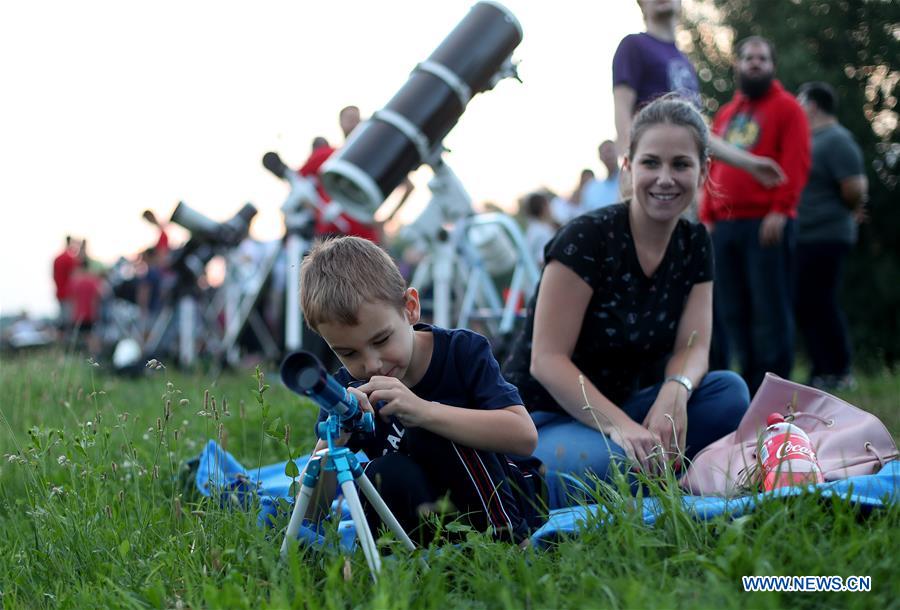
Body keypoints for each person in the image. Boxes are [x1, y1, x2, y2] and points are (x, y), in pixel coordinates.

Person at [502, 96, 750, 505]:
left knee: (730, 394)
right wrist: (620, 427)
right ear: (628, 167)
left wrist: (677, 387)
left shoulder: (695, 243)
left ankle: (645, 471)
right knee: (605, 462)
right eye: (651, 162)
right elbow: (547, 361)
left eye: (681, 164)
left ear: (703, 170)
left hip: (630, 408)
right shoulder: (586, 238)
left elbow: (695, 345)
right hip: (546, 418)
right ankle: (660, 470)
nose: (665, 178)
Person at [298, 236, 542, 542]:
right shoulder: (347, 389)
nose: (371, 364)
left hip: (507, 498)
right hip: (434, 513)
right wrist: (334, 440)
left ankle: (507, 543)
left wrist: (424, 411)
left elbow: (525, 436)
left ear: (410, 308)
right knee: (380, 473)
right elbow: (310, 514)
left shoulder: (462, 351)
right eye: (348, 353)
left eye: (381, 340)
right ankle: (406, 565)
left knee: (432, 432)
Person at [700, 36, 812, 395]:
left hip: (766, 223)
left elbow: (795, 161)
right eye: (748, 57)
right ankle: (749, 390)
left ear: (772, 66)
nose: (754, 63)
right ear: (738, 65)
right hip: (724, 226)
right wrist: (708, 214)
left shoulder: (788, 107)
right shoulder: (727, 113)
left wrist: (782, 209)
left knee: (769, 310)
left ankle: (777, 390)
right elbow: (712, 165)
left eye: (762, 58)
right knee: (733, 311)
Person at [613, 0, 785, 188]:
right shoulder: (634, 45)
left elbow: (699, 132)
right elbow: (622, 112)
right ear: (642, 5)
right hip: (647, 177)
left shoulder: (685, 62)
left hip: (681, 180)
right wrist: (629, 169)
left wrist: (751, 164)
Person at [794, 82, 868, 391]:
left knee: (822, 302)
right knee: (806, 303)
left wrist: (853, 209)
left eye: (800, 100)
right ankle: (821, 371)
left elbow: (855, 188)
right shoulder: (810, 139)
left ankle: (839, 371)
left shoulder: (838, 140)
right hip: (804, 236)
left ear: (811, 105)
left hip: (827, 235)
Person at [580, 140, 622, 211]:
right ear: (600, 157)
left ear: (617, 152)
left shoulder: (631, 181)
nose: (608, 155)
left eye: (610, 150)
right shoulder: (591, 189)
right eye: (604, 153)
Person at [521, 191, 557, 267]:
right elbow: (543, 260)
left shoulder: (533, 229)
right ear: (543, 207)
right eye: (548, 204)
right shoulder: (541, 232)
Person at [52, 235, 79, 329]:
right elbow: (74, 278)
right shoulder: (71, 259)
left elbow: (53, 276)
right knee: (69, 319)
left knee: (62, 318)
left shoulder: (57, 258)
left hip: (59, 292)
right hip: (68, 294)